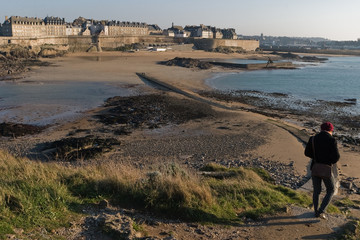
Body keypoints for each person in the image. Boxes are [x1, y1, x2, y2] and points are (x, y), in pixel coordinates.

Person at [304, 122, 340, 219]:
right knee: (331, 190)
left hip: (315, 167)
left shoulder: (313, 139)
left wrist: (316, 157)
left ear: (321, 129)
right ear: (330, 130)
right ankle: (321, 211)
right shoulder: (332, 140)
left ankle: (316, 211)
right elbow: (336, 157)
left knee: (317, 190)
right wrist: (328, 160)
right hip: (326, 169)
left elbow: (307, 153)